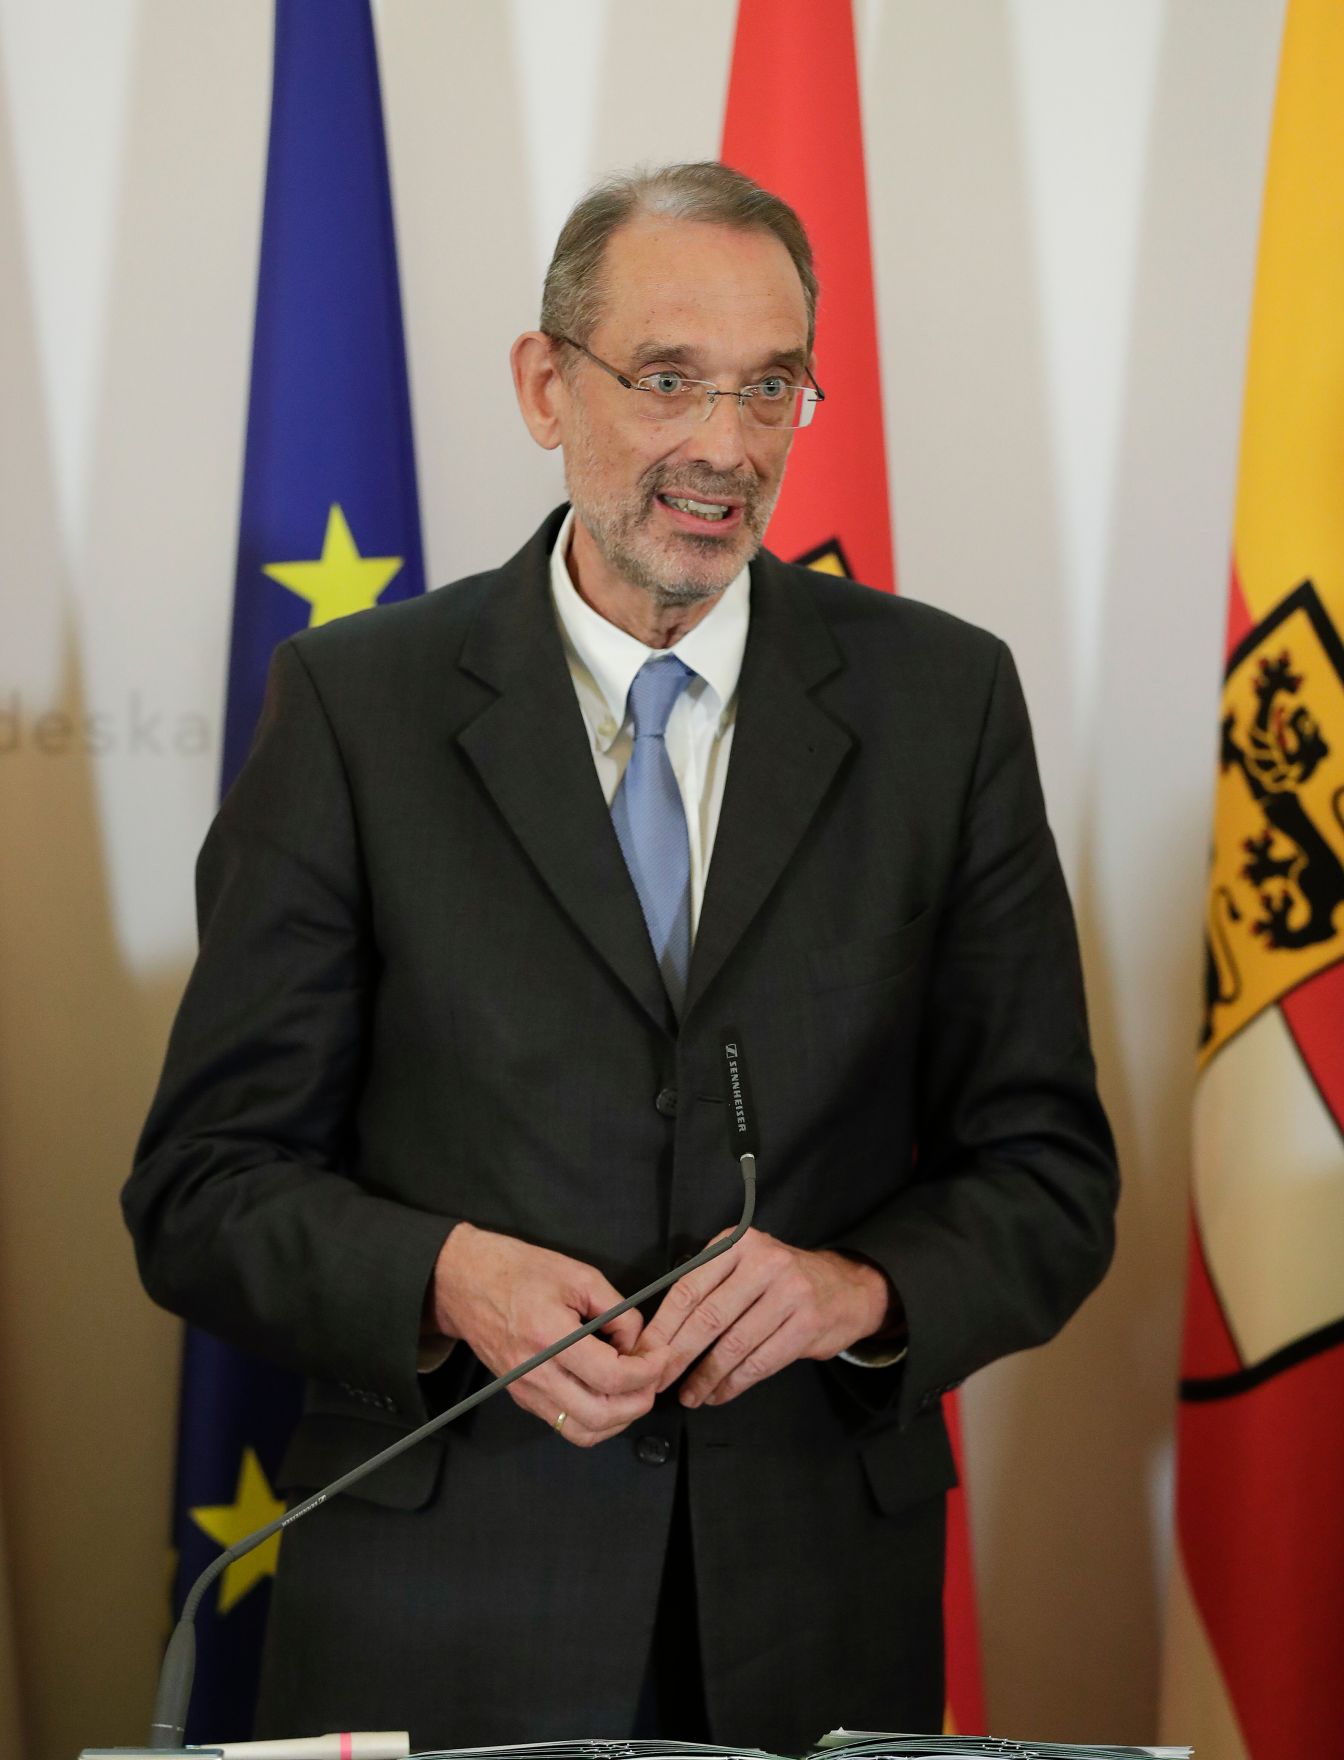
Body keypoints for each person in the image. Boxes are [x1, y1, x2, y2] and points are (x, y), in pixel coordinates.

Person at [124, 162, 1118, 1754]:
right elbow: (202, 1190)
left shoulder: (945, 707)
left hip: (811, 1616)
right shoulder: (355, 709)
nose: (726, 446)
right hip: (442, 1615)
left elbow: (1052, 1177)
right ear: (545, 384)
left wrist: (856, 1289)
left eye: (770, 385)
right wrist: (449, 1279)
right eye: (668, 380)